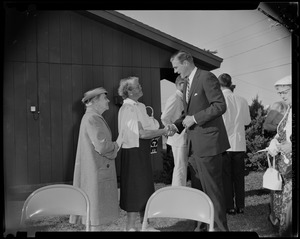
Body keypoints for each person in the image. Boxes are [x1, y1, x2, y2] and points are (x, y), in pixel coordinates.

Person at [168, 50, 230, 231]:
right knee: (198, 190)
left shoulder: (206, 77)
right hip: (194, 146)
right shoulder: (187, 83)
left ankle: (219, 229)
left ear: (186, 62)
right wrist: (176, 126)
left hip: (209, 144)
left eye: (176, 67)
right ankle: (202, 226)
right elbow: (188, 115)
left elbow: (220, 106)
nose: (175, 71)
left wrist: (194, 119)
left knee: (212, 190)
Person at [116, 76, 169, 231]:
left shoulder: (140, 106)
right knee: (134, 189)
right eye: (137, 86)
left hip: (141, 151)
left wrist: (160, 130)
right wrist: (164, 131)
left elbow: (149, 129)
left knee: (145, 187)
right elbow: (142, 134)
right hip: (133, 153)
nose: (141, 87)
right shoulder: (128, 108)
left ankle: (145, 225)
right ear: (129, 91)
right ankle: (130, 227)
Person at [69, 87, 120, 231]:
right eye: (105, 98)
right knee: (94, 220)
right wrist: (117, 144)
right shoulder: (92, 118)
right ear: (94, 101)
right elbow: (102, 147)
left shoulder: (91, 117)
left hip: (94, 172)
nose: (108, 100)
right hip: (96, 173)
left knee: (93, 219)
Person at [217, 73, 251, 215]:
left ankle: (229, 206)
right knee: (238, 176)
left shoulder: (219, 100)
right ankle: (241, 206)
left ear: (219, 85)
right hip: (239, 143)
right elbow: (247, 121)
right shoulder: (242, 100)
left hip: (224, 143)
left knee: (226, 176)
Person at [267, 75, 292, 236]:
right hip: (285, 163)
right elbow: (282, 132)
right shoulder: (289, 109)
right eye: (280, 93)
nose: (282, 96)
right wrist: (274, 142)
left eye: (285, 92)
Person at [161, 75, 188, 186]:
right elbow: (164, 117)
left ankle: (180, 191)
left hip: (183, 139)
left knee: (182, 168)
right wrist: (172, 131)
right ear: (181, 84)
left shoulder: (183, 98)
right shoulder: (175, 98)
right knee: (180, 169)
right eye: (187, 84)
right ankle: (178, 193)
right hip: (178, 139)